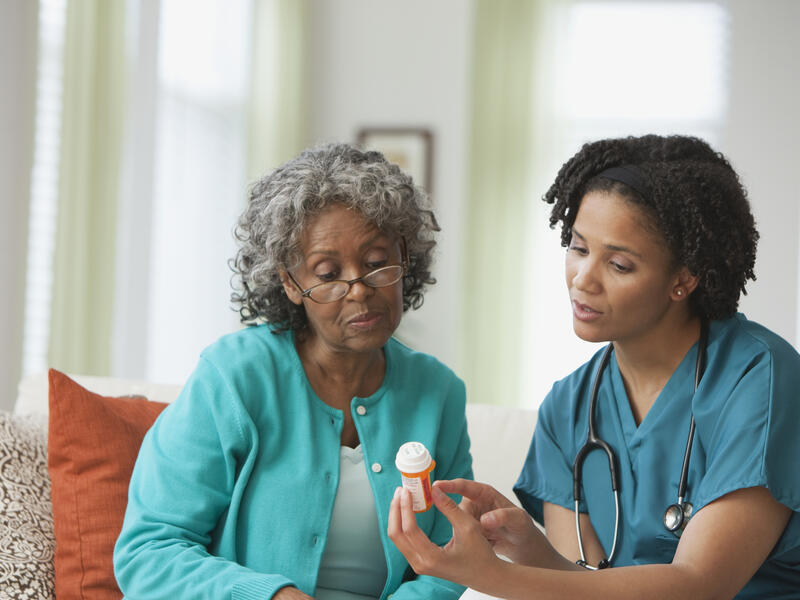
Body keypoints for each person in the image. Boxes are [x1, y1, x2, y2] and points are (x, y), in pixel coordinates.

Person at [388, 134, 800, 598]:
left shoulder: (760, 378)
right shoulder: (568, 407)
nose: (583, 279)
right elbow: (589, 585)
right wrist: (529, 550)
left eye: (619, 264)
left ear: (683, 278)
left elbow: (700, 585)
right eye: (579, 248)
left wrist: (488, 574)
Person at [114, 143, 472, 600]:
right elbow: (149, 552)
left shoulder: (437, 392)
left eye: (377, 262)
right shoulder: (234, 377)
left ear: (405, 258)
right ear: (290, 281)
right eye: (327, 273)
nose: (359, 291)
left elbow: (453, 559)